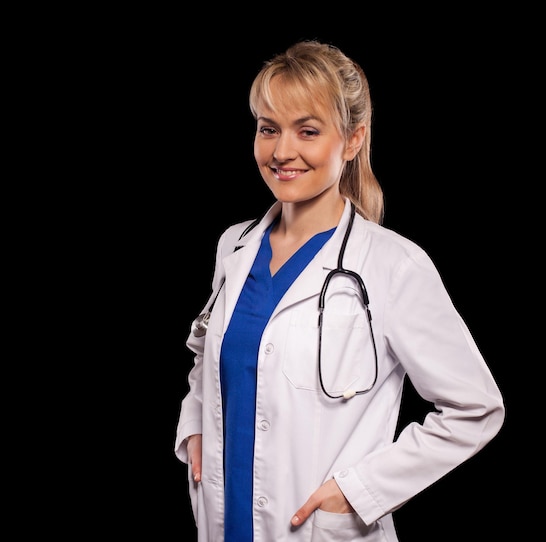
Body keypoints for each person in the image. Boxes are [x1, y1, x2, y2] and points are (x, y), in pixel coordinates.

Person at [174, 40, 505, 542]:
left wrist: (358, 491)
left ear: (352, 141)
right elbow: (208, 356)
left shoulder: (394, 266)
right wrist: (194, 426)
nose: (282, 152)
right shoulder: (234, 246)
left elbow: (475, 408)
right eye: (268, 130)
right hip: (224, 520)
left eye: (307, 131)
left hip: (316, 528)